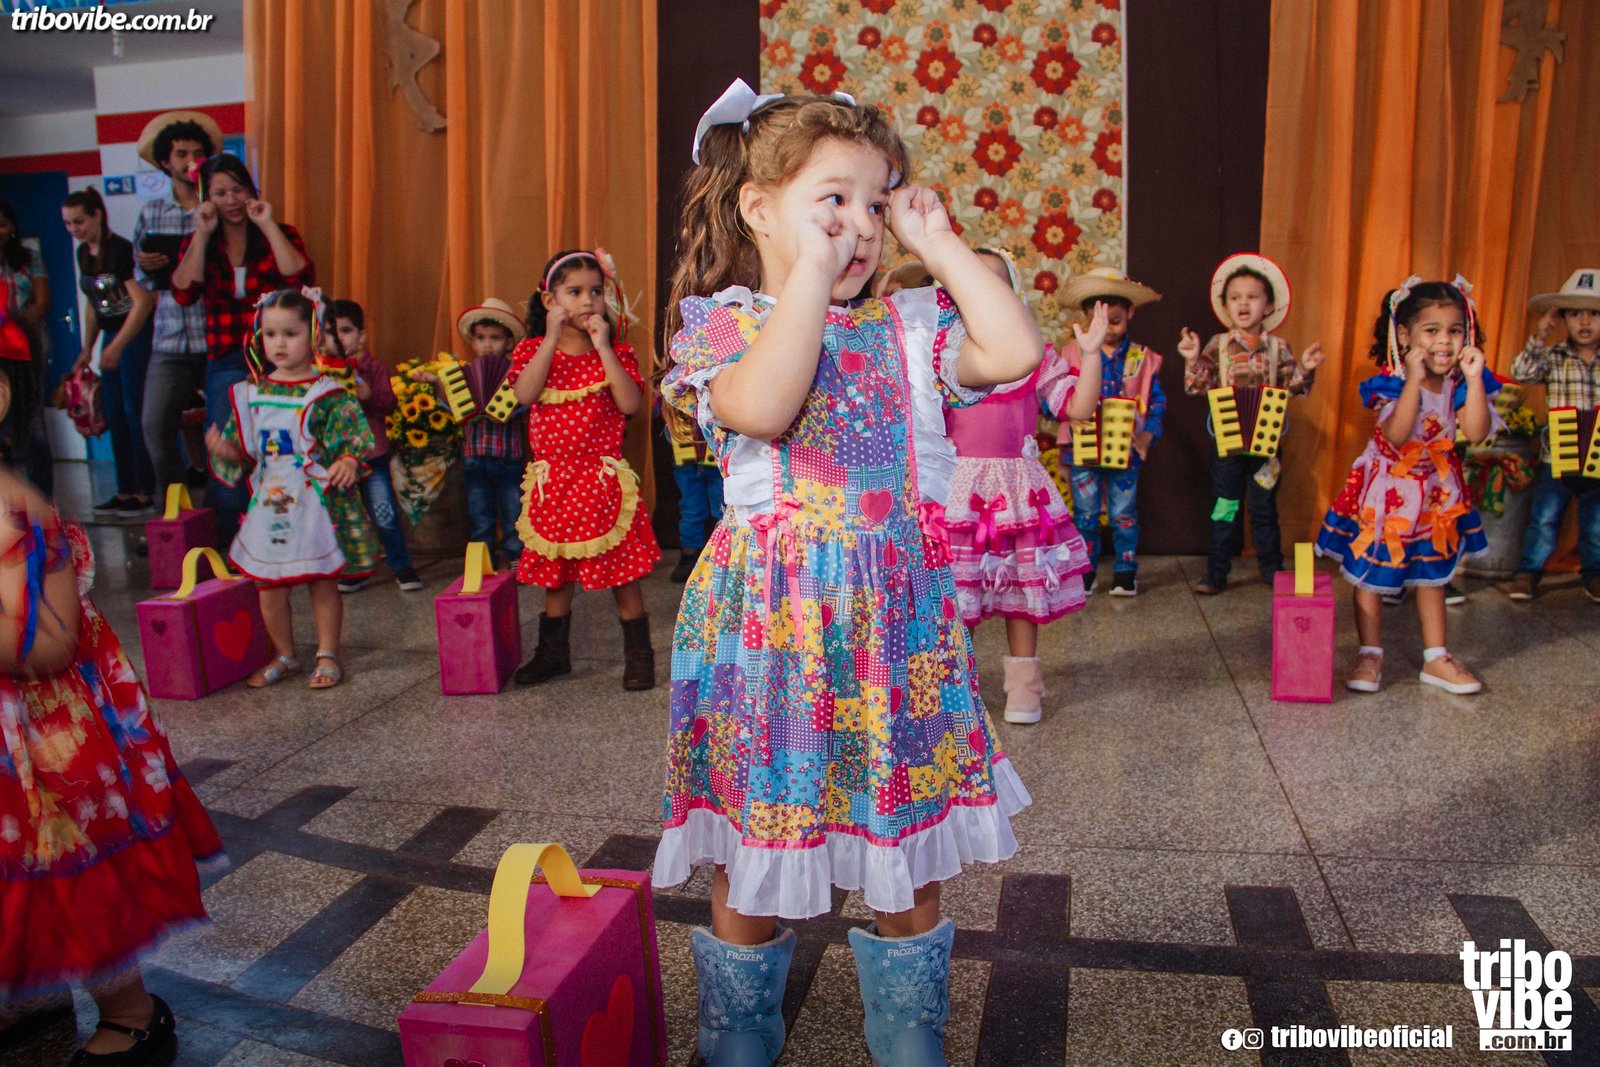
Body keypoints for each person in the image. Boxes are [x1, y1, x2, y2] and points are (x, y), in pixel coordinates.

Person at [655, 79, 1037, 1066]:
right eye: (835, 199)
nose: (861, 225)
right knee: (757, 834)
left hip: (892, 630)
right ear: (757, 207)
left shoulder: (906, 327)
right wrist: (812, 282)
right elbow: (766, 406)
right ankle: (738, 1025)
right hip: (770, 627)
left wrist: (939, 244)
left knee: (902, 834)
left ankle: (906, 1023)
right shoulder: (722, 327)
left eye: (878, 201)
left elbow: (1013, 348)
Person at [0, 366, 222, 1064]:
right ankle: (29, 992)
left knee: (71, 873)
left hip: (38, 744)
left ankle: (131, 1011)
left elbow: (47, 642)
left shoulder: (15, 513)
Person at [1315, 278, 1500, 694]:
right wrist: (1414, 380)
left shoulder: (1458, 383)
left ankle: (1436, 658)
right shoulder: (1393, 383)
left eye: (1455, 330)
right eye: (1431, 330)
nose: (1445, 341)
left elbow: (1476, 431)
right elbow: (1397, 435)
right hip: (1389, 495)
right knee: (1369, 573)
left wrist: (1474, 380)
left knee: (1431, 574)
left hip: (1436, 495)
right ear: (1404, 336)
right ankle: (1370, 653)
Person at [943, 247, 1095, 724]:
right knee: (956, 593)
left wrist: (1091, 356)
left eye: (997, 282)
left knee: (1022, 588)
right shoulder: (940, 354)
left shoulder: (1034, 356)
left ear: (1013, 293)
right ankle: (956, 690)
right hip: (956, 492)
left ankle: (1024, 686)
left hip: (1016, 491)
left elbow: (1077, 408)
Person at [205, 289, 378, 690]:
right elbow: (242, 447)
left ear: (313, 334)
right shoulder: (250, 393)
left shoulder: (326, 393)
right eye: (270, 334)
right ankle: (284, 654)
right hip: (270, 502)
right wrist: (225, 450)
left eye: (290, 333)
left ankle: (327, 652)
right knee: (269, 586)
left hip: (313, 502)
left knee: (322, 581)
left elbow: (353, 436)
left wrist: (348, 460)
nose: (279, 343)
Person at [508, 251, 661, 691]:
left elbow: (629, 403)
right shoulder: (532, 351)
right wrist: (550, 338)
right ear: (549, 299)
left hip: (600, 481)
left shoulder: (616, 353)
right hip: (554, 483)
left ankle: (639, 656)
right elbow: (524, 394)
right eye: (574, 292)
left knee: (621, 571)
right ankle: (552, 654)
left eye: (596, 291)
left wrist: (603, 347)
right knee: (556, 572)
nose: (588, 301)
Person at [172, 153, 313, 547]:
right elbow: (183, 291)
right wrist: (201, 235)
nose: (232, 200)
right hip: (226, 360)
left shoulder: (278, 232)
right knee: (227, 450)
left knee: (285, 449)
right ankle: (240, 545)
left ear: (252, 191)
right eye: (220, 193)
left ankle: (292, 541)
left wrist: (266, 224)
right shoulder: (201, 241)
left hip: (279, 358)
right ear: (207, 199)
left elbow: (299, 276)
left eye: (238, 189)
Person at [1180, 253, 1324, 595]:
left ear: (1269, 305)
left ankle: (1272, 569)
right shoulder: (1218, 346)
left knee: (1264, 509)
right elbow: (1196, 387)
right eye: (1235, 297)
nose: (1243, 303)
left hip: (1266, 445)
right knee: (1224, 507)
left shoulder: (1279, 348)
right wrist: (1192, 359)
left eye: (1252, 296)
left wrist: (1306, 369)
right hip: (1227, 444)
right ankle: (1216, 572)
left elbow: (1293, 389)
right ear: (1226, 305)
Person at [1054, 266, 1167, 596]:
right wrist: (1065, 410)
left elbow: (1157, 403)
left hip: (1125, 450)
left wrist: (1146, 435)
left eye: (1115, 321)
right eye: (1097, 322)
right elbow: (1052, 398)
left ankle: (1125, 571)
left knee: (1123, 514)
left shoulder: (1141, 358)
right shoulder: (1069, 354)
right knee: (1085, 515)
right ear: (1085, 317)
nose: (1107, 329)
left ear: (1130, 313)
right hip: (1082, 450)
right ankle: (1086, 572)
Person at [133, 111, 221, 499]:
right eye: (181, 154)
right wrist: (146, 265)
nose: (190, 162)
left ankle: (226, 512)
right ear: (165, 162)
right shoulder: (152, 212)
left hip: (216, 335)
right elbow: (139, 279)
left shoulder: (218, 206)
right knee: (155, 425)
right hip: (169, 337)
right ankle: (178, 512)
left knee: (226, 430)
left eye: (198, 154)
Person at [411, 298, 528, 570]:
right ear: (472, 342)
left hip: (508, 456)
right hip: (475, 456)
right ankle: (482, 562)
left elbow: (526, 403)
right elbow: (452, 407)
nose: (487, 345)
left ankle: (516, 557)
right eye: (481, 338)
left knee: (513, 511)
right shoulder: (463, 375)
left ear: (509, 342)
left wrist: (512, 406)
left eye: (495, 338)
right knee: (480, 514)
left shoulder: (518, 373)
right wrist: (436, 383)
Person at [1507, 268, 1600, 604]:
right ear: (1562, 319)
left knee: (1596, 523)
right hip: (1557, 455)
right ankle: (1528, 573)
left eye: (1594, 314)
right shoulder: (1553, 356)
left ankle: (1594, 575)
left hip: (1598, 456)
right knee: (1545, 518)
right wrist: (1539, 337)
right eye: (1575, 313)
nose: (1584, 321)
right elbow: (1521, 373)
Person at [63, 187, 156, 519]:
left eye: (79, 221)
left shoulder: (120, 250)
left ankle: (146, 490)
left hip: (133, 335)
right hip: (110, 335)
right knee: (113, 414)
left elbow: (142, 303)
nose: (74, 229)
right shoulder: (83, 254)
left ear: (97, 215)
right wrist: (87, 349)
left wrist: (116, 346)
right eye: (68, 224)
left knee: (134, 413)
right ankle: (125, 488)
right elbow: (93, 305)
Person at [327, 299, 422, 592]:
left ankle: (402, 566)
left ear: (361, 336)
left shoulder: (374, 366)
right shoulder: (321, 370)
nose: (339, 338)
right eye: (332, 332)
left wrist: (368, 395)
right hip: (338, 457)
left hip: (372, 455)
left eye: (345, 330)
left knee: (384, 513)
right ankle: (357, 570)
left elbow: (389, 404)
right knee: (347, 517)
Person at [0, 200, 53, 485]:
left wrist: (13, 328)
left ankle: (43, 498)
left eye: (2, 224)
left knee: (32, 423)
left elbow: (42, 303)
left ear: (12, 227)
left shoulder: (29, 257)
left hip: (27, 347)